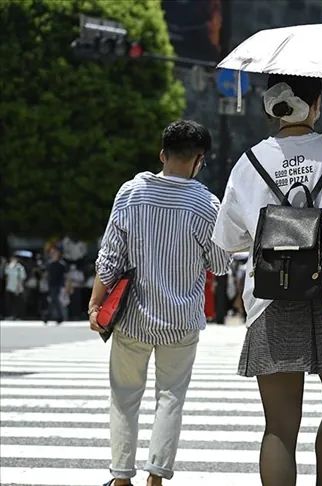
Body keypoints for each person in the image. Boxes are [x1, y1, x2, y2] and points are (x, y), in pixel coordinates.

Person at [211, 74, 322, 486]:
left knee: (279, 427)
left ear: (271, 106)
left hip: (271, 298)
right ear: (317, 104)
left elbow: (229, 239)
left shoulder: (249, 162)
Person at [89, 120, 232, 486]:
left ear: (162, 154)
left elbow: (109, 257)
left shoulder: (130, 193)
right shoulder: (206, 204)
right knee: (170, 398)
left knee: (124, 397)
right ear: (199, 160)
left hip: (132, 318)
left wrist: (95, 305)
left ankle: (121, 478)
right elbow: (220, 263)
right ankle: (156, 477)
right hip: (181, 320)